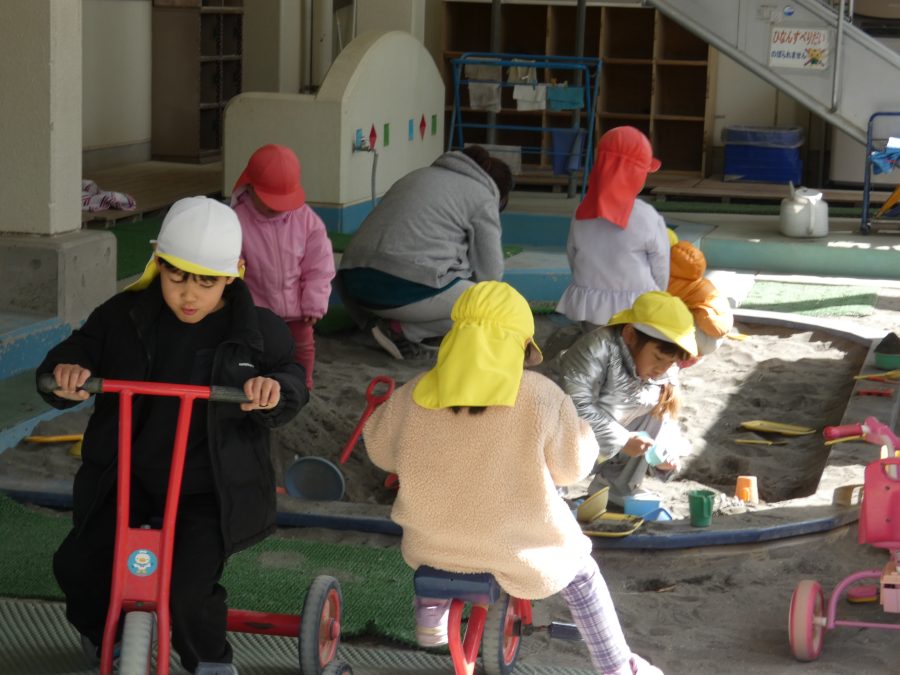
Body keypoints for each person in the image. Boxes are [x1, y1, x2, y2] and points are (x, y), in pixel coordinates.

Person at [36, 196, 308, 675]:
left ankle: (211, 663)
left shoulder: (258, 333)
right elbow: (77, 350)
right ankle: (107, 638)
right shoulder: (122, 316)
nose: (189, 295)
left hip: (207, 489)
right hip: (124, 478)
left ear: (233, 275)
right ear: (158, 264)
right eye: (177, 276)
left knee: (186, 588)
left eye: (206, 282)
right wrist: (68, 370)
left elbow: (292, 378)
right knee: (80, 566)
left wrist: (274, 389)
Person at [362, 281, 663, 675]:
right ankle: (618, 665)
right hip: (518, 550)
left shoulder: (414, 393)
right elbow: (572, 466)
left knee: (440, 543)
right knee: (582, 571)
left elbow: (380, 451)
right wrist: (587, 439)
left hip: (430, 544)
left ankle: (432, 611)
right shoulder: (539, 395)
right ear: (521, 347)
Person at [336, 145, 512, 359]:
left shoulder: (418, 175)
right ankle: (399, 330)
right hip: (396, 286)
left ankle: (396, 325)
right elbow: (491, 276)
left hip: (352, 282)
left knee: (461, 287)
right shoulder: (482, 196)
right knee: (491, 303)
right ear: (498, 193)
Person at [552, 291, 697, 507]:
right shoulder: (596, 348)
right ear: (630, 335)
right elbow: (574, 407)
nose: (661, 369)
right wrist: (622, 440)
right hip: (563, 441)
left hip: (611, 437)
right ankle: (551, 495)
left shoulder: (666, 369)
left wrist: (665, 451)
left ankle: (617, 487)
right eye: (657, 357)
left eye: (671, 362)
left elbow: (665, 412)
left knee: (656, 409)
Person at [231, 143, 335, 389]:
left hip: (297, 309)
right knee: (258, 350)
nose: (275, 207)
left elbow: (319, 265)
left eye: (281, 200)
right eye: (269, 200)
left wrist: (314, 302)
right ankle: (259, 387)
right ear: (250, 187)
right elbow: (233, 270)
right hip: (257, 310)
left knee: (303, 348)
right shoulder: (237, 220)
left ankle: (302, 385)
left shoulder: (306, 220)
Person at [556, 126, 670, 330]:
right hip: (636, 308)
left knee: (594, 346)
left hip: (590, 308)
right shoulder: (647, 216)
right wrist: (657, 296)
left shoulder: (582, 213)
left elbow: (573, 256)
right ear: (637, 175)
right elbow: (660, 266)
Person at [666, 233, 733, 366]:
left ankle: (687, 353)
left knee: (662, 311)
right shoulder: (696, 279)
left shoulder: (668, 281)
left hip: (702, 338)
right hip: (717, 334)